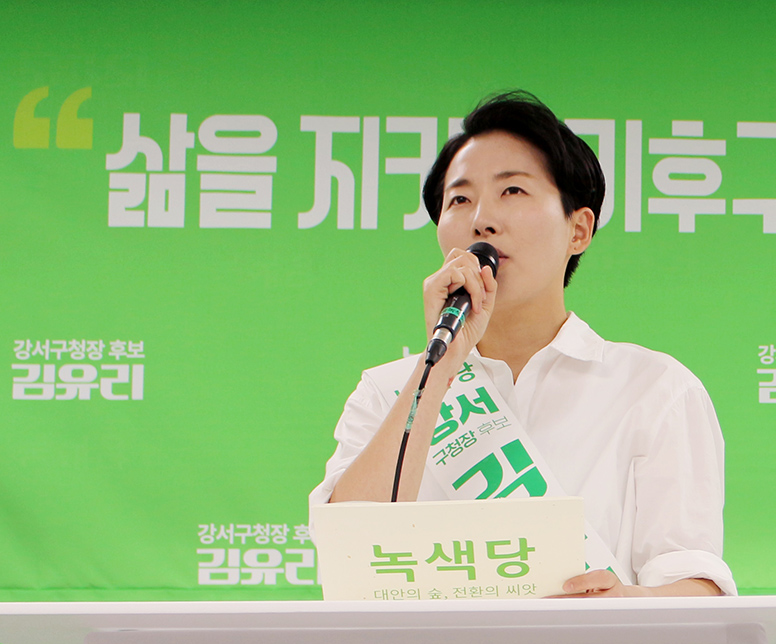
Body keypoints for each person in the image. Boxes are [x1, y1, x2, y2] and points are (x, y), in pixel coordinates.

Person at [310, 91, 735, 597]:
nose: (481, 220)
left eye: (512, 190)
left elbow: (695, 587)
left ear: (578, 230)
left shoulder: (653, 389)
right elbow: (346, 559)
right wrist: (438, 372)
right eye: (459, 200)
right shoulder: (386, 393)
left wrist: (626, 604)